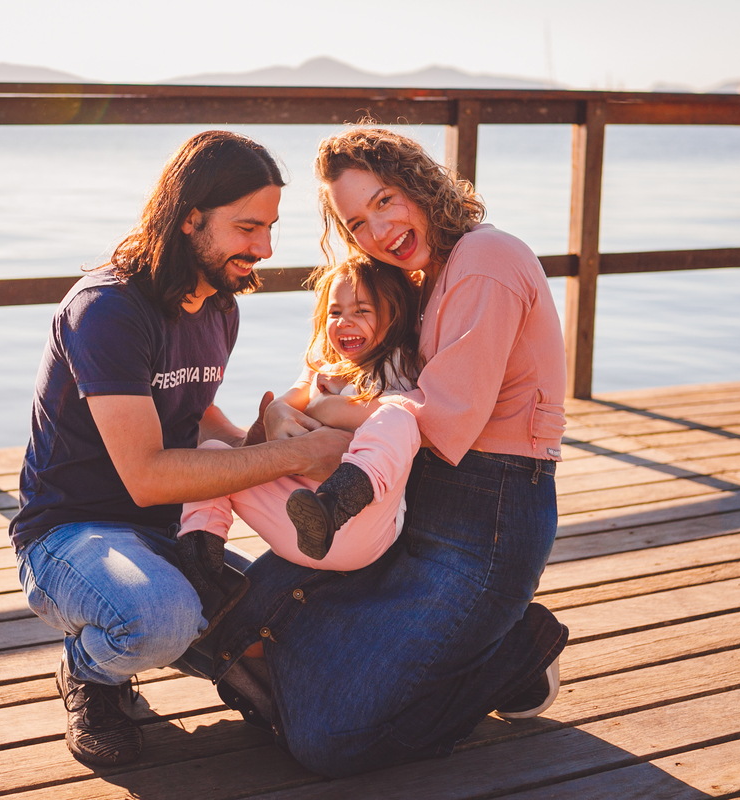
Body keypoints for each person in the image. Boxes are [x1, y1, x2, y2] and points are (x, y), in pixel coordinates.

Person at [200, 126, 570, 778]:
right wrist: (292, 408)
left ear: (421, 185)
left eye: (386, 199)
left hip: (485, 524)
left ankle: (510, 650)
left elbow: (437, 417)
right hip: (406, 499)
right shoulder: (422, 276)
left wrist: (313, 425)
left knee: (328, 741)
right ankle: (452, 646)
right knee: (244, 622)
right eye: (357, 220)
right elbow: (354, 375)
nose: (378, 228)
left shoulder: (486, 259)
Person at [9, 130, 351, 768]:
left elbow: (190, 415)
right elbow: (147, 475)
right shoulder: (106, 311)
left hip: (172, 532)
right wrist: (297, 458)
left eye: (271, 227)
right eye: (248, 228)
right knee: (161, 619)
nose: (265, 248)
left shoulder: (219, 304)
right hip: (69, 536)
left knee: (300, 616)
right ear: (191, 218)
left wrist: (264, 428)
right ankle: (91, 671)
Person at [177, 254, 423, 571]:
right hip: (294, 523)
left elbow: (417, 414)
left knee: (399, 418)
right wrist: (283, 413)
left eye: (361, 311)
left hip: (361, 532)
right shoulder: (321, 372)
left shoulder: (403, 368)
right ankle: (202, 564)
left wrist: (327, 407)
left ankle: (336, 503)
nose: (344, 321)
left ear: (394, 318)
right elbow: (282, 407)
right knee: (212, 455)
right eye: (335, 312)